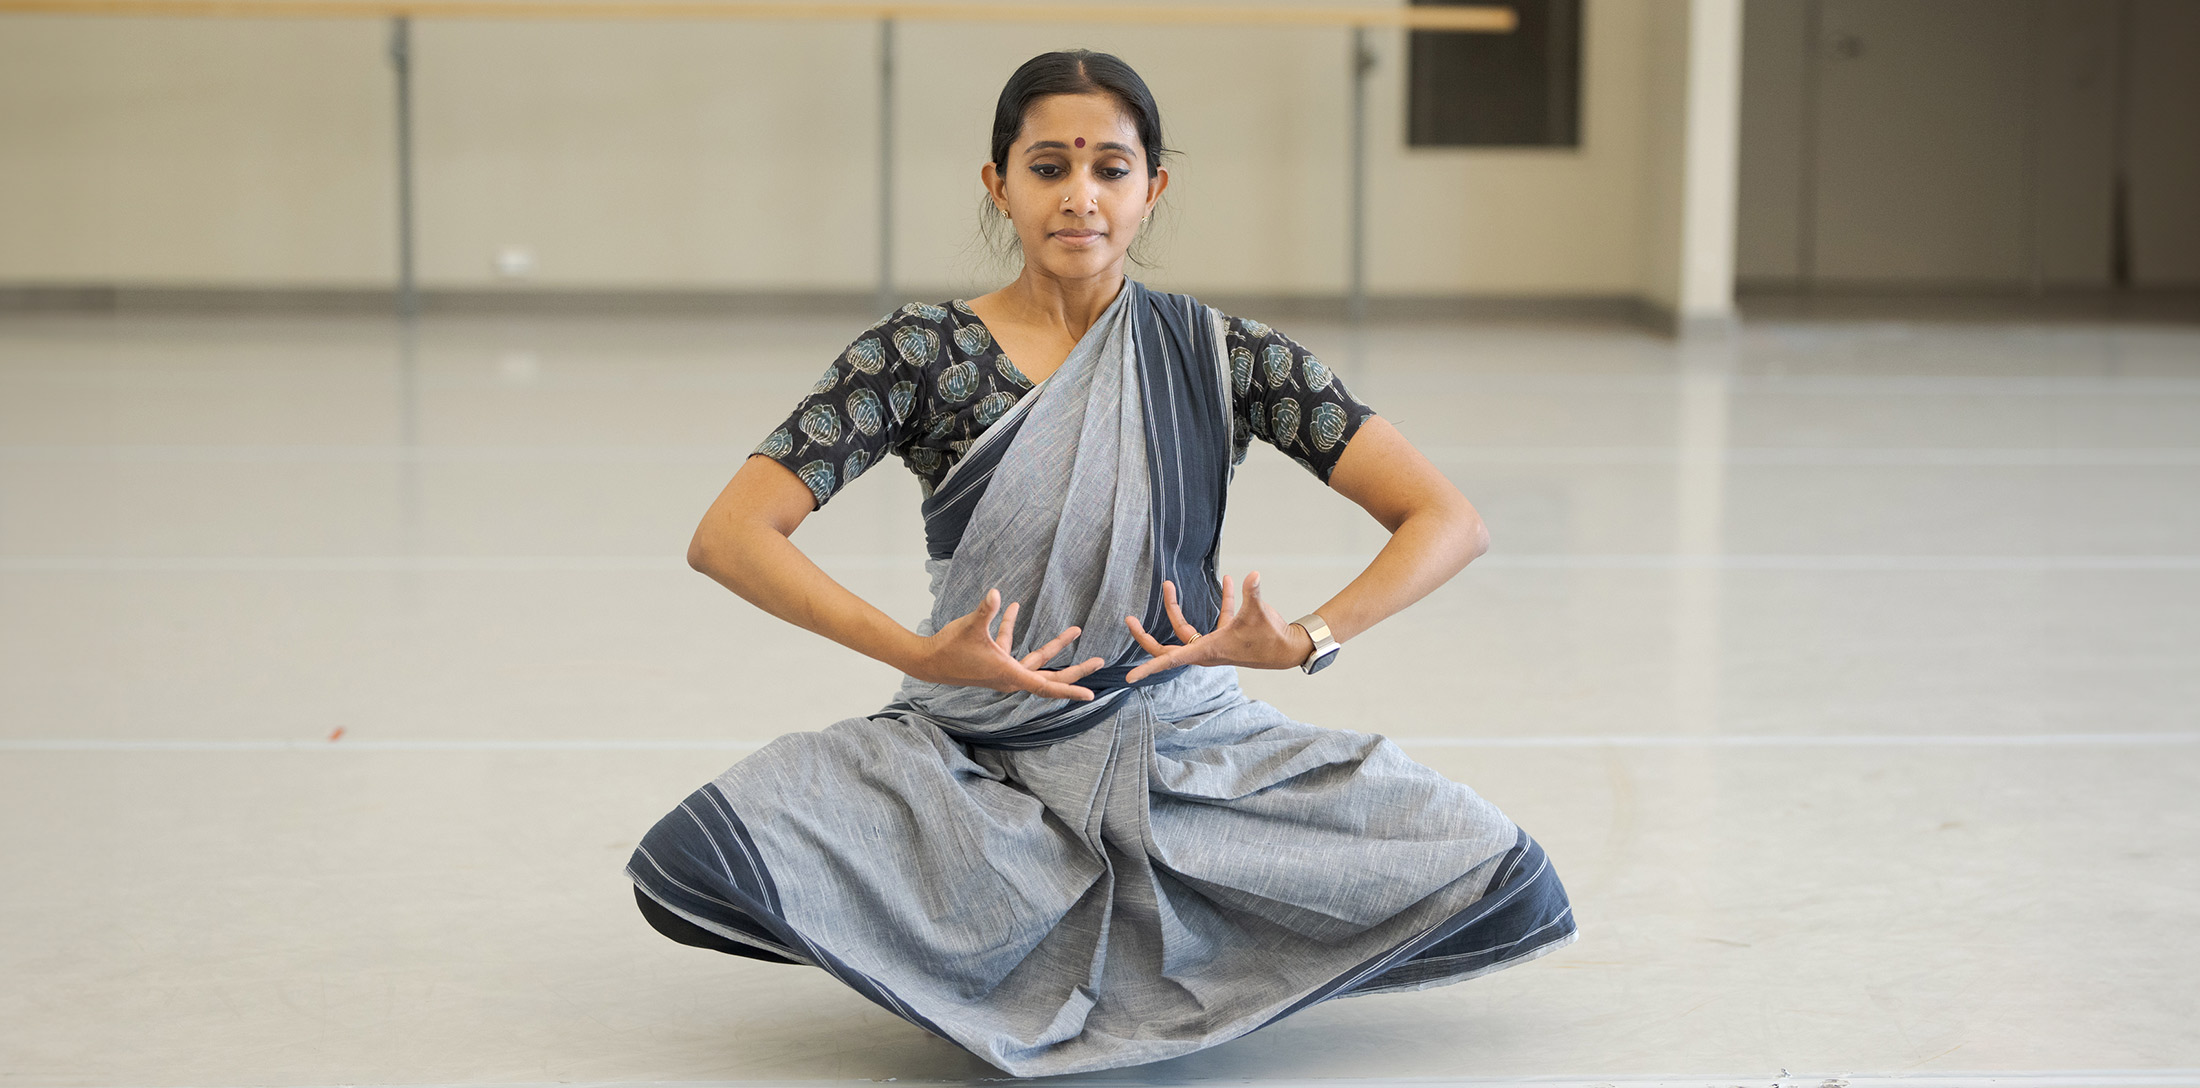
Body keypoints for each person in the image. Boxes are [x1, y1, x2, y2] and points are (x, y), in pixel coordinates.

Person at [627, 49, 1574, 1077]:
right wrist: (921, 653)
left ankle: (1091, 949)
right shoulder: (916, 354)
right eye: (1047, 167)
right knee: (706, 853)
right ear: (998, 184)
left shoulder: (1221, 353)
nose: (1079, 197)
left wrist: (1307, 635)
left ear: (1151, 188)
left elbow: (1446, 517)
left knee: (1490, 865)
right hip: (977, 748)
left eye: (1110, 169)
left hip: (1185, 739)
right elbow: (729, 534)